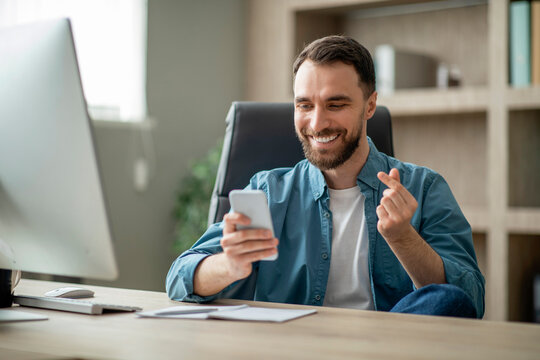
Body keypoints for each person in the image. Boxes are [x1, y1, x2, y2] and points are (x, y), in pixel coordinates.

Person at [166, 35, 485, 318]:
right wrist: (229, 265)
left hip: (382, 351)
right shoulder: (268, 191)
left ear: (370, 105)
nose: (317, 123)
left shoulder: (425, 188)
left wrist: (404, 238)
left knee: (447, 300)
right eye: (304, 105)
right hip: (291, 348)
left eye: (336, 104)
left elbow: (468, 300)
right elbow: (179, 276)